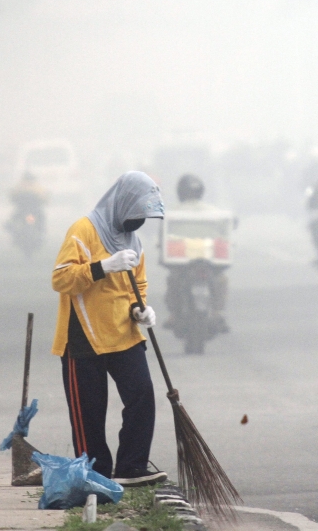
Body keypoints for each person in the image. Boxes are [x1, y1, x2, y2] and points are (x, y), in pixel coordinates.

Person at [50, 171, 167, 487]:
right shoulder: (83, 230)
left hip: (123, 333)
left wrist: (140, 309)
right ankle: (96, 475)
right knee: (89, 412)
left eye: (144, 217)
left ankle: (132, 466)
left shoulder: (134, 241)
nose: (138, 222)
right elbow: (60, 279)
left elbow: (136, 285)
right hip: (83, 337)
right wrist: (103, 267)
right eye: (136, 214)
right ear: (122, 204)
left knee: (142, 395)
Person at [162, 174, 230, 334]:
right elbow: (225, 232)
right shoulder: (214, 211)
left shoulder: (171, 212)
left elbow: (165, 237)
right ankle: (217, 313)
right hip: (210, 259)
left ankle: (173, 315)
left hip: (182, 262)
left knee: (173, 281)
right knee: (221, 280)